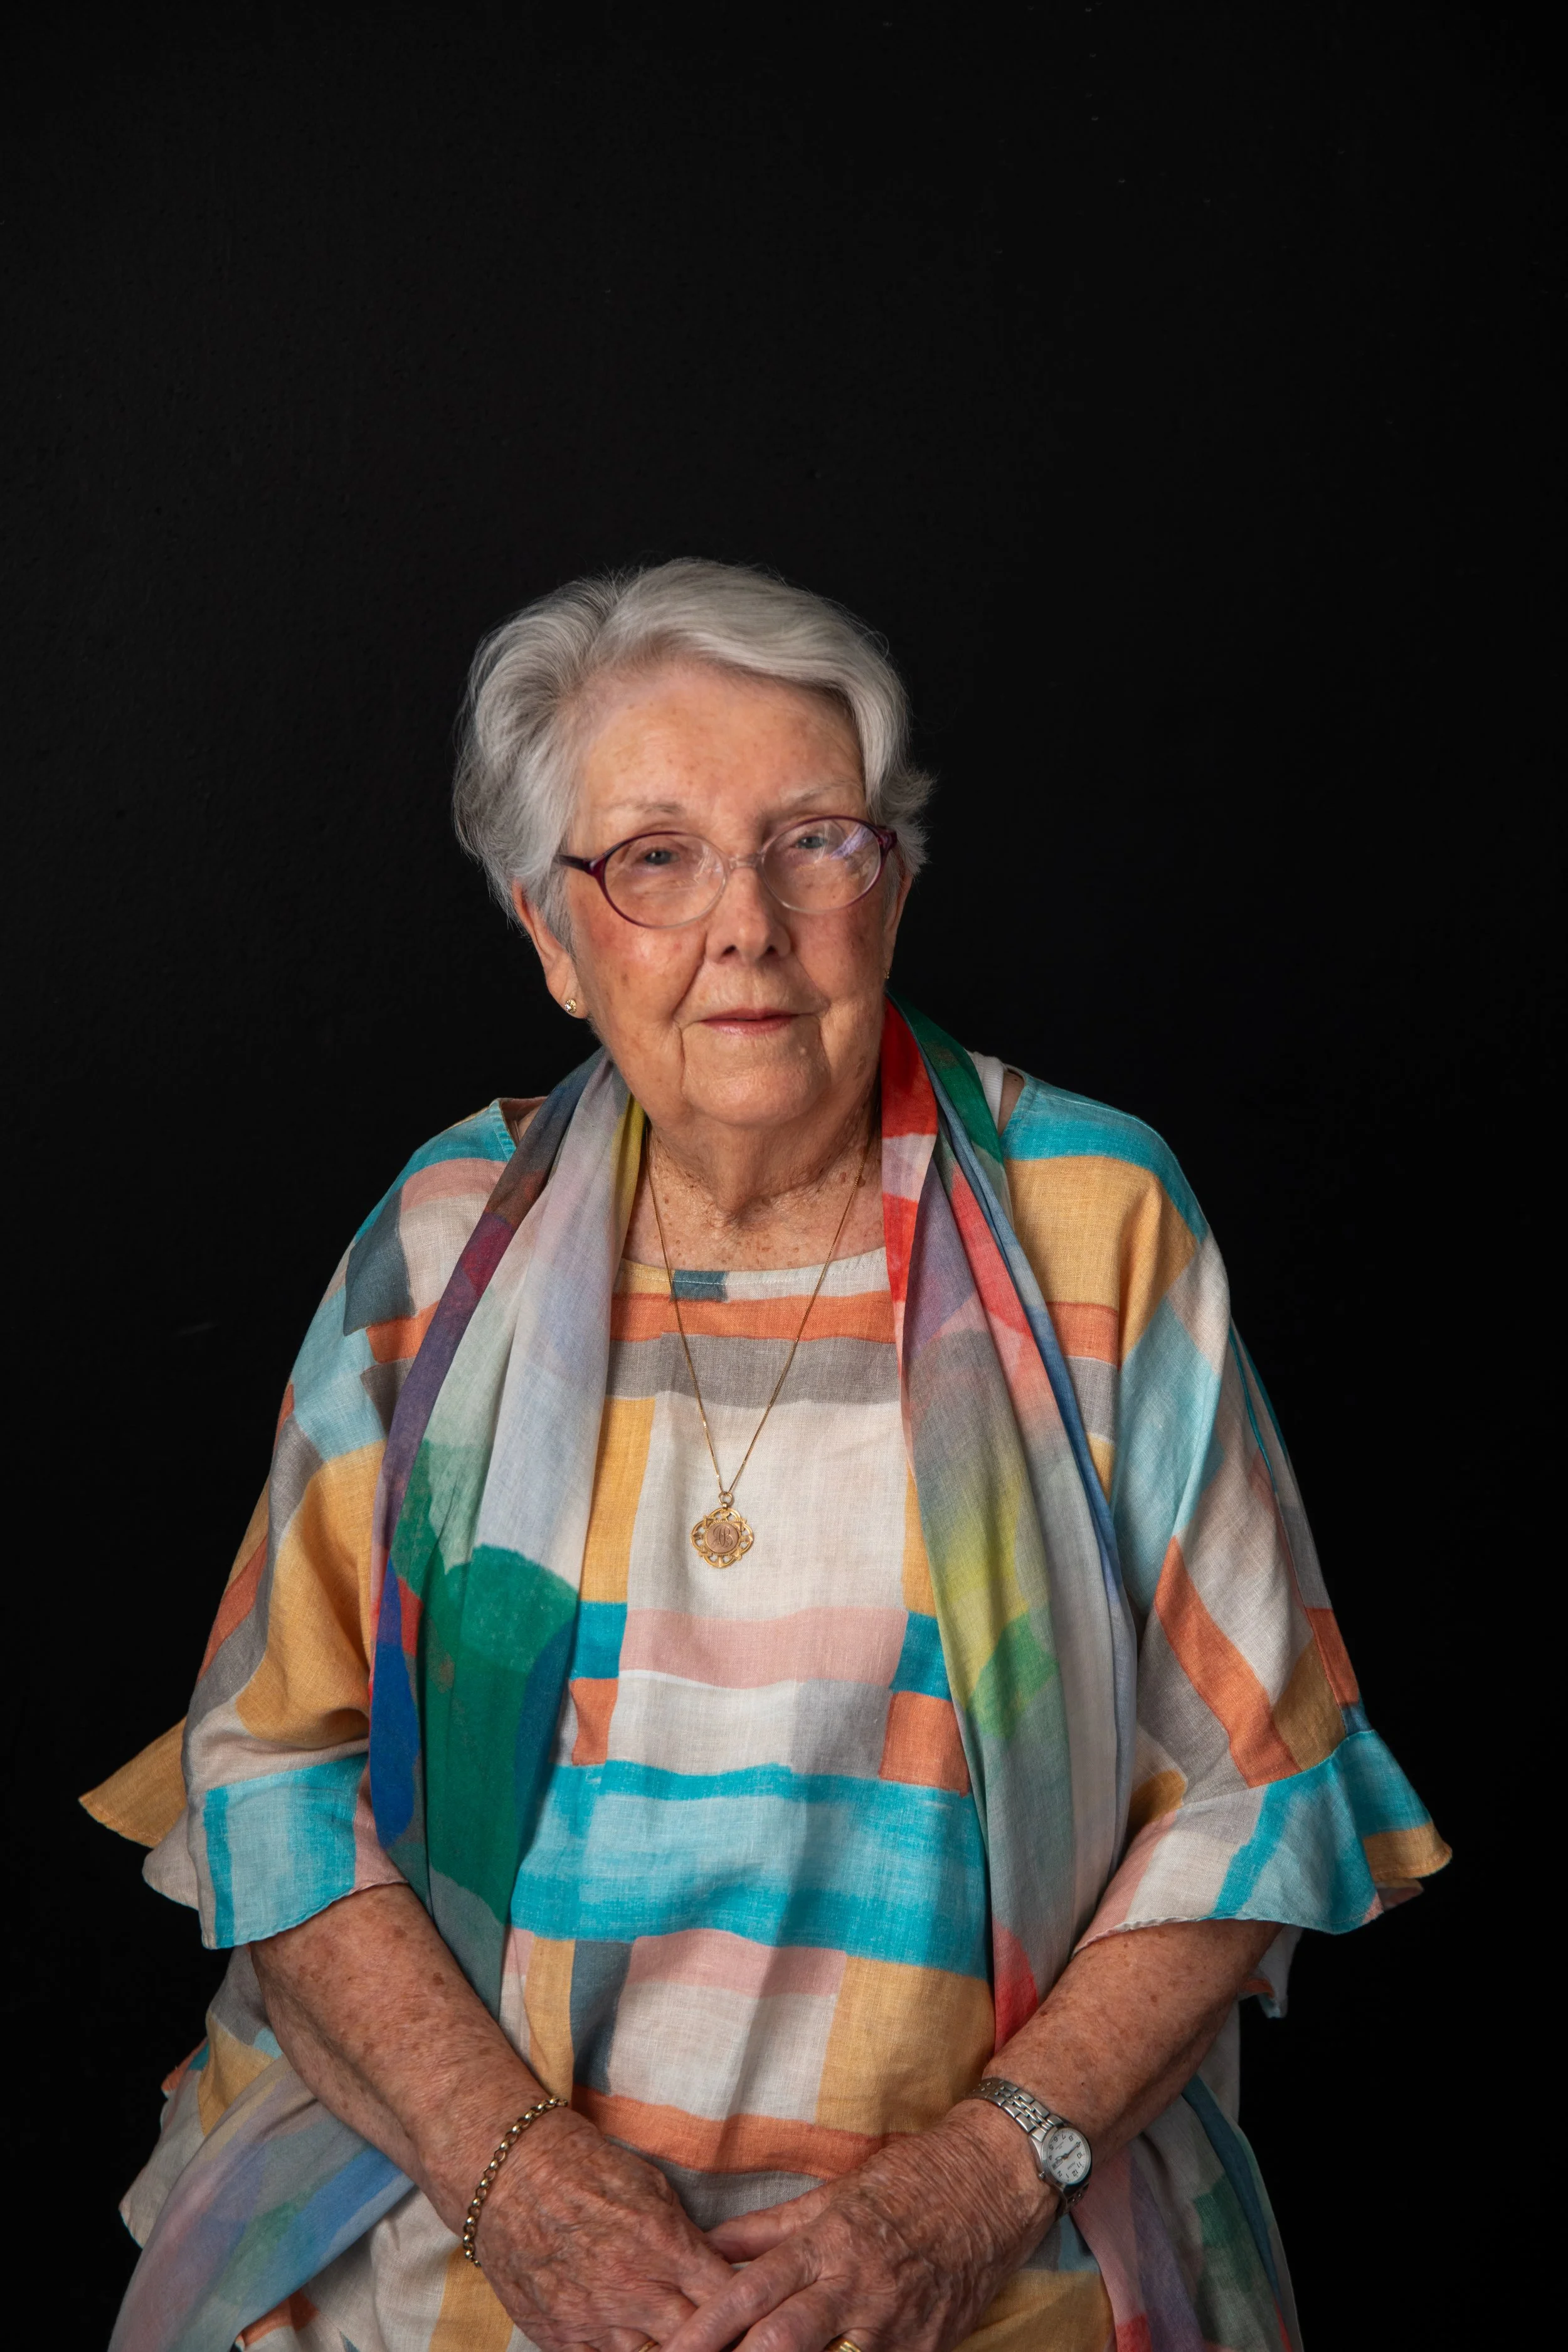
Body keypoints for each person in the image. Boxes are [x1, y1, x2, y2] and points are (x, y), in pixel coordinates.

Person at [88, 560, 1447, 2352]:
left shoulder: (1091, 1227)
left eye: (811, 839)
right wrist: (522, 2183)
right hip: (464, 2231)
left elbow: (1260, 1794)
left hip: (972, 2253)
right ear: (552, 937)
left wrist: (962, 2189)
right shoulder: (438, 1243)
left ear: (888, 884)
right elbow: (267, 1766)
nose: (744, 924)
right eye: (651, 857)